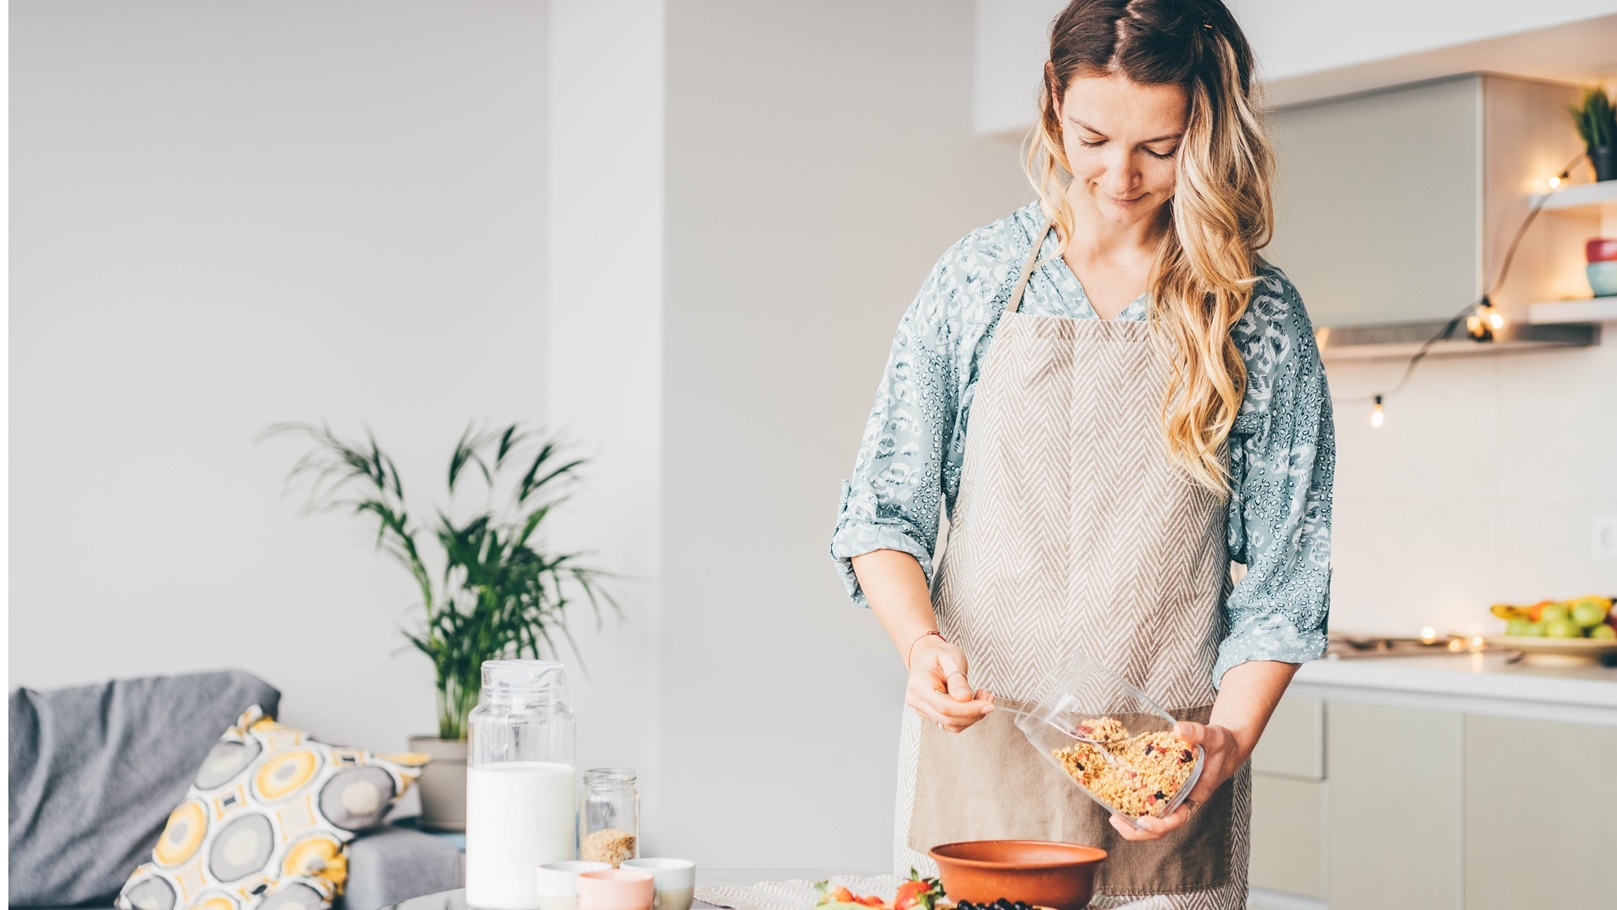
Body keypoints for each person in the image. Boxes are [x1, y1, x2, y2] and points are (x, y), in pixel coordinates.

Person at [827, 1, 1334, 907]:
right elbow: (881, 508)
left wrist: (1223, 740)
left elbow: (1285, 587)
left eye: (1159, 145)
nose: (1119, 176)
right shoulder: (978, 279)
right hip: (979, 760)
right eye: (1092, 136)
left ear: (1206, 129)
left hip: (1164, 770)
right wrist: (920, 644)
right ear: (1053, 99)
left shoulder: (1253, 312)